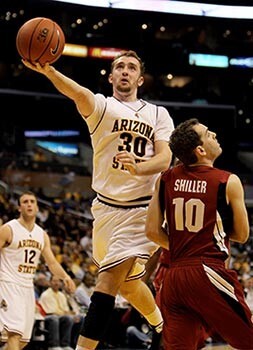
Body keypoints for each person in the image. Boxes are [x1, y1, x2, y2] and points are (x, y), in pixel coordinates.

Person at [23, 50, 174, 350]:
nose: (125, 71)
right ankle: (162, 327)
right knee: (128, 285)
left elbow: (165, 158)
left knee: (106, 282)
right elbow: (77, 92)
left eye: (132, 67)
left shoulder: (157, 113)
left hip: (142, 210)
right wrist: (49, 71)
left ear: (140, 79)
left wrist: (139, 166)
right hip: (105, 209)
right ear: (111, 76)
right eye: (120, 67)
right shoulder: (102, 107)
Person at [145, 118, 253, 350]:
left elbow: (152, 231)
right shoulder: (228, 180)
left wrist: (184, 246)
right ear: (201, 150)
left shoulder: (165, 179)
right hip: (207, 270)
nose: (213, 133)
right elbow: (242, 235)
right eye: (208, 133)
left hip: (173, 276)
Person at [0, 191, 76, 350]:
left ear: (36, 207)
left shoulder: (41, 234)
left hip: (28, 286)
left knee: (23, 341)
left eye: (32, 202)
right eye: (25, 202)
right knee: (14, 334)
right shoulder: (8, 229)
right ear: (19, 207)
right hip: (8, 284)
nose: (29, 204)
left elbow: (52, 263)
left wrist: (66, 277)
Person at [39, 275, 82, 350]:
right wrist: (68, 314)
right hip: (47, 317)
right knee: (55, 318)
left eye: (58, 281)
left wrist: (72, 315)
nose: (57, 283)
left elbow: (65, 310)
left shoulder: (61, 295)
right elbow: (51, 312)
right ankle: (53, 345)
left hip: (60, 316)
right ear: (50, 282)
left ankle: (66, 344)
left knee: (75, 318)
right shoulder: (46, 294)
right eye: (54, 281)